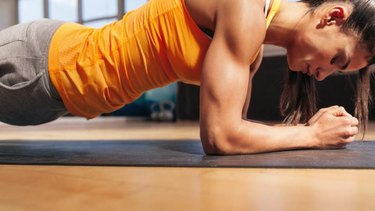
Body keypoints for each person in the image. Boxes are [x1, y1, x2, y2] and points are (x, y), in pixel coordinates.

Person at [0, 0, 373, 154]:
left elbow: (236, 128)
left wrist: (308, 131)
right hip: (42, 64)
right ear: (332, 17)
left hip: (51, 97)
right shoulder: (243, 12)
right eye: (338, 59)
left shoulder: (252, 47)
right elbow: (220, 137)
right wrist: (309, 135)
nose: (325, 76)